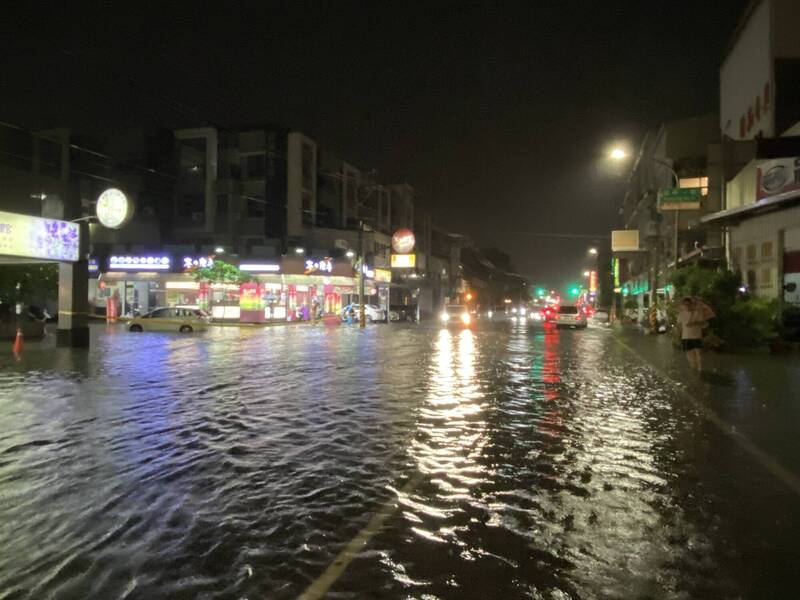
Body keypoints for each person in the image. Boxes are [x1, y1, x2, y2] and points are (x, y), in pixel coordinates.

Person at [677, 296, 711, 372]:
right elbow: (679, 326)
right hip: (686, 336)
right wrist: (678, 336)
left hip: (696, 336)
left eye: (688, 304)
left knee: (698, 353)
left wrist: (695, 323)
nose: (687, 306)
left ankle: (700, 368)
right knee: (689, 354)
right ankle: (694, 366)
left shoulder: (697, 313)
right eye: (685, 304)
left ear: (691, 304)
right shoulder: (681, 314)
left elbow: (704, 324)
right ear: (683, 305)